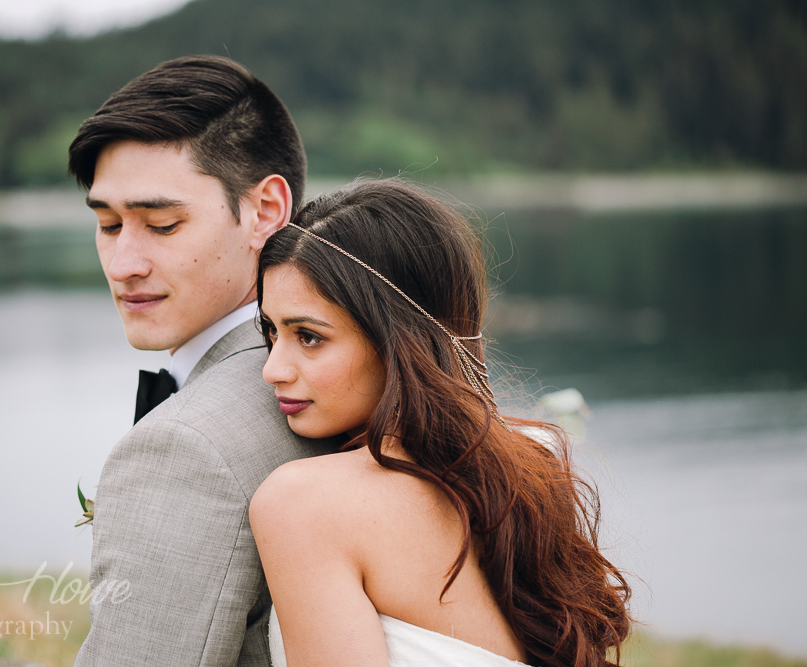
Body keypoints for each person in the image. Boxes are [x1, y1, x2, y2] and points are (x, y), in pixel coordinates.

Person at [250, 180, 632, 666]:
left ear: (398, 339)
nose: (272, 369)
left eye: (308, 336)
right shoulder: (533, 466)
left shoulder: (300, 504)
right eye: (270, 331)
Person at [68, 56, 339, 666]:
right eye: (108, 225)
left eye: (161, 225)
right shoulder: (351, 377)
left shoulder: (186, 450)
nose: (122, 264)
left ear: (266, 211)